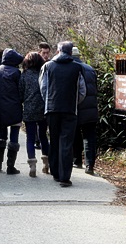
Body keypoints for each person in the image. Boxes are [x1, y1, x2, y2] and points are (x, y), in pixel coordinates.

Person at [39, 41, 86, 187]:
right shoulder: (77, 68)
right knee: (66, 143)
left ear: (58, 51)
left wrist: (49, 101)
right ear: (71, 52)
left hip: (52, 109)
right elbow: (82, 91)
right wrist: (74, 102)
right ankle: (65, 177)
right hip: (70, 110)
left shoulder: (48, 66)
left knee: (54, 140)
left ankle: (55, 172)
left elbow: (43, 88)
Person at [0, 48, 24, 174]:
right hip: (14, 108)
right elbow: (21, 91)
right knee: (14, 136)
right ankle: (10, 167)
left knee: (1, 135)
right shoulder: (16, 72)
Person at [19, 51, 50, 177]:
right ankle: (46, 163)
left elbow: (20, 94)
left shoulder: (24, 75)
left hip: (29, 109)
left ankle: (32, 165)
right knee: (43, 136)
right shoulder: (44, 74)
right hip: (43, 109)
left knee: (30, 138)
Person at [71, 46, 99, 175]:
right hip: (91, 108)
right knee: (89, 136)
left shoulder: (70, 68)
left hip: (76, 107)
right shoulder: (90, 68)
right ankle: (89, 165)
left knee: (75, 134)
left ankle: (76, 160)